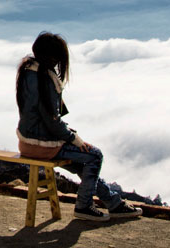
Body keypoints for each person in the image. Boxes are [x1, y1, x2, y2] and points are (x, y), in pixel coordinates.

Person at [15, 32, 142, 222]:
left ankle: (113, 203)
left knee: (82, 165)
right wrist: (74, 138)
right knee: (94, 155)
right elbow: (52, 121)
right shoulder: (44, 79)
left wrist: (69, 135)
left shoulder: (27, 72)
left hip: (26, 141)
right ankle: (84, 206)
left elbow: (44, 118)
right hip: (43, 144)